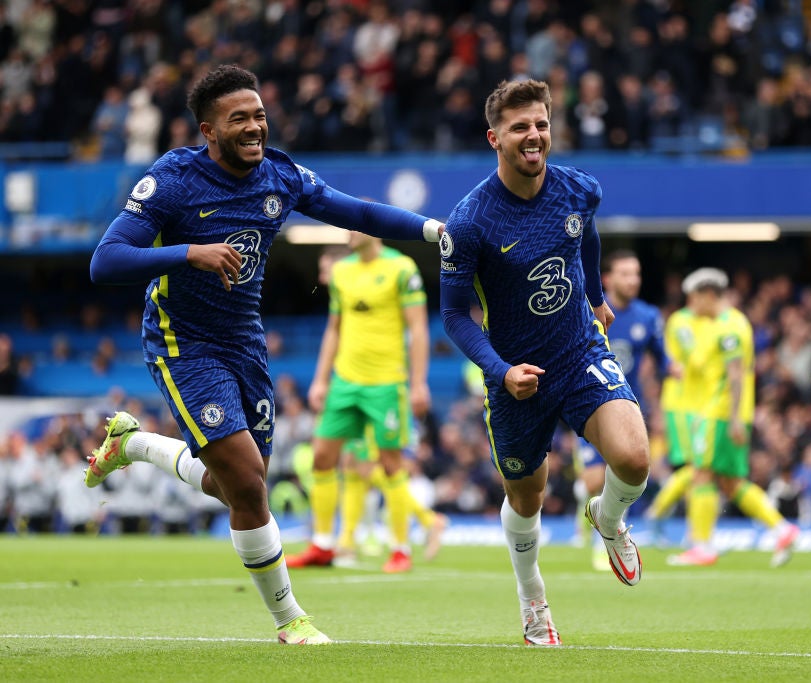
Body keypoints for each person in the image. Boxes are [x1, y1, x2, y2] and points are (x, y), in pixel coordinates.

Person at [85, 64, 443, 645]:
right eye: (239, 119)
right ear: (208, 131)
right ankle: (290, 621)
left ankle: (135, 444)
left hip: (245, 343)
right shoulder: (174, 178)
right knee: (249, 484)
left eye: (259, 116)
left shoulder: (280, 175)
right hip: (184, 342)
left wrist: (434, 231)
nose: (255, 127)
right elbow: (106, 261)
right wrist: (187, 253)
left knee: (235, 487)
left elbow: (360, 213)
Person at [439, 79, 649, 647]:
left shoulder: (578, 189)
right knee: (526, 497)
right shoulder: (469, 222)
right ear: (495, 138)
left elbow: (586, 239)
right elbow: (455, 316)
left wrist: (599, 297)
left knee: (633, 458)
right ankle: (533, 599)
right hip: (514, 379)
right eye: (520, 127)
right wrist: (501, 370)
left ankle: (608, 520)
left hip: (579, 352)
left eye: (541, 123)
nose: (534, 136)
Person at [286, 231, 447, 573]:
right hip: (345, 382)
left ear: (374, 230)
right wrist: (320, 378)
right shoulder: (342, 271)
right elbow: (334, 328)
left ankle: (401, 549)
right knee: (322, 457)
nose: (349, 232)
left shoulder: (401, 268)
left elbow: (418, 328)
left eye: (356, 226)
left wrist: (418, 382)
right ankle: (323, 544)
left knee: (390, 463)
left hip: (386, 383)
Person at [666, 268, 799, 568]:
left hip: (723, 414)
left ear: (709, 295)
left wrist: (736, 418)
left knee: (701, 473)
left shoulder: (729, 327)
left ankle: (702, 546)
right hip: (722, 413)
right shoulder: (727, 323)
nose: (692, 305)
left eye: (695, 298)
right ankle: (782, 529)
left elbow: (736, 374)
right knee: (729, 482)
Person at [574, 249, 670, 570]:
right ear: (608, 279)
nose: (633, 280)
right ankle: (586, 510)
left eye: (637, 274)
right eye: (626, 274)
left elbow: (661, 361)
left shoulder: (648, 317)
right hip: (588, 401)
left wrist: (671, 378)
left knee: (623, 471)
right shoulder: (588, 308)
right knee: (590, 481)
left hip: (628, 404)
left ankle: (609, 540)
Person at [644, 287, 705, 542]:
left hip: (699, 406)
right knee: (696, 466)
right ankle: (658, 514)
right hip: (681, 405)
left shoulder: (705, 324)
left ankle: (694, 529)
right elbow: (699, 360)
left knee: (700, 468)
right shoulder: (681, 322)